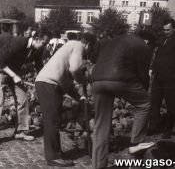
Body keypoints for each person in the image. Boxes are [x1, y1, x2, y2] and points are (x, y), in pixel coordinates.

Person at [91, 34, 155, 169]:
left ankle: (98, 166)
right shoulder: (144, 46)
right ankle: (135, 145)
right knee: (144, 104)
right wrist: (141, 90)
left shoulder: (116, 40)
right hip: (118, 77)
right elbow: (143, 75)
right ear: (149, 42)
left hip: (96, 79)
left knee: (101, 125)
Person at [35, 35, 89, 167]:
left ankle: (57, 152)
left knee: (54, 120)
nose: (87, 52)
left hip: (50, 84)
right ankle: (53, 157)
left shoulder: (68, 48)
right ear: (86, 43)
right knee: (51, 120)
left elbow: (68, 83)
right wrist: (83, 80)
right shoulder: (78, 44)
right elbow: (75, 69)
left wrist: (79, 97)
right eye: (89, 48)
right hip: (48, 84)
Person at [0, 32, 48, 141]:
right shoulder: (18, 42)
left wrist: (43, 79)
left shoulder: (38, 49)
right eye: (44, 43)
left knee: (23, 98)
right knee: (0, 101)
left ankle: (20, 131)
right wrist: (14, 75)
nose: (45, 46)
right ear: (36, 39)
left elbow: (38, 65)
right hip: (1, 70)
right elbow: (1, 61)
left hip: (14, 73)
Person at [149, 18, 175, 139]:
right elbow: (158, 56)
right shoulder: (162, 39)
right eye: (164, 30)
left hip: (171, 78)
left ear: (174, 28)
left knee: (171, 105)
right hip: (158, 77)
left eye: (168, 30)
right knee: (154, 103)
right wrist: (152, 69)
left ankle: (168, 129)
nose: (166, 32)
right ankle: (153, 127)